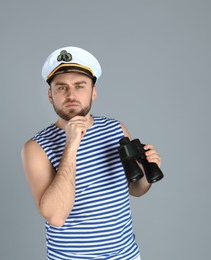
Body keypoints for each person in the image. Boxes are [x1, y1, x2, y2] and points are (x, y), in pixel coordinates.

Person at [21, 46, 162, 260]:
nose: (71, 95)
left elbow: (136, 189)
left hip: (126, 256)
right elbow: (56, 216)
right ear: (50, 95)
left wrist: (148, 168)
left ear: (93, 92)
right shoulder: (36, 148)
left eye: (80, 86)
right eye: (61, 88)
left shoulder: (116, 128)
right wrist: (71, 146)